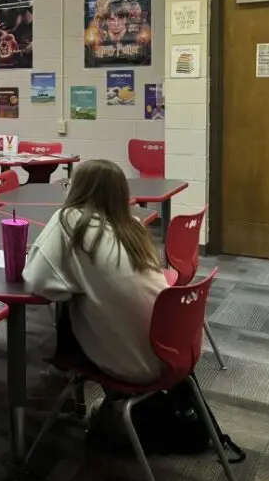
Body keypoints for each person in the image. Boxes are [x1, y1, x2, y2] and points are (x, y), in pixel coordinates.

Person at [22, 159, 167, 384]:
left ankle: (62, 373)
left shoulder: (69, 219)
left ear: (78, 189)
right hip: (170, 351)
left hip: (133, 363)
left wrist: (69, 284)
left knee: (74, 299)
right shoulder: (134, 226)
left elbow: (37, 281)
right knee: (85, 290)